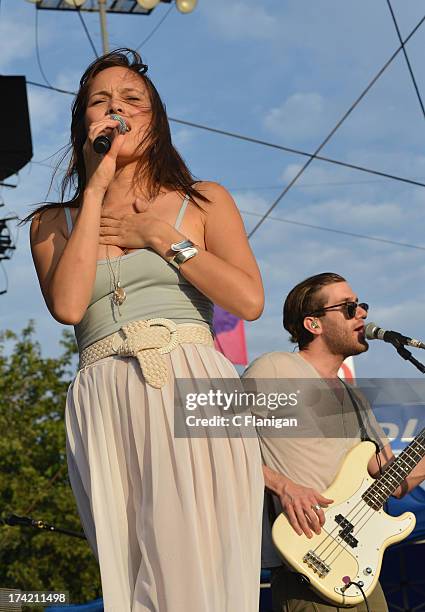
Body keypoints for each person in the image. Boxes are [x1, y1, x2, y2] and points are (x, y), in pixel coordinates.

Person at [28, 49, 264, 612]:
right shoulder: (50, 223)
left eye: (132, 100)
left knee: (200, 562)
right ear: (84, 123)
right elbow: (67, 304)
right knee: (131, 570)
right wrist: (96, 187)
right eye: (101, 102)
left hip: (190, 379)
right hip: (105, 393)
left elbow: (248, 300)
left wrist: (161, 237)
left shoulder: (203, 201)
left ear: (155, 122)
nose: (117, 109)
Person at [243, 272, 425, 612]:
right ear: (314, 323)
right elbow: (216, 442)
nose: (362, 314)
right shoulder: (275, 369)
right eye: (350, 307)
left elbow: (393, 482)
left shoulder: (357, 398)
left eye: (362, 306)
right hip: (306, 560)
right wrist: (282, 485)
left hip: (360, 571)